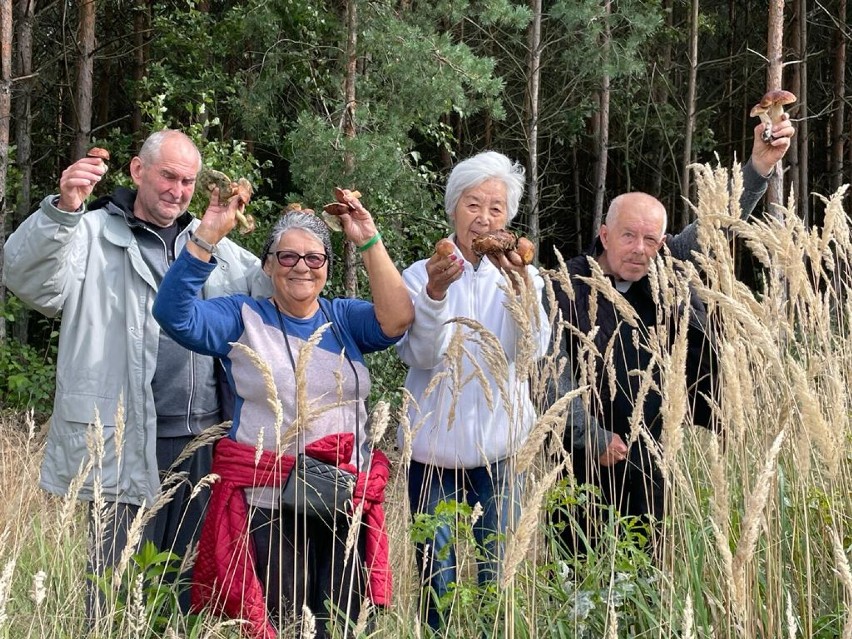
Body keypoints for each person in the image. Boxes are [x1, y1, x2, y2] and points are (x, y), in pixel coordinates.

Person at [2, 129, 268, 615]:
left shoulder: (211, 240)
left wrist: (293, 233)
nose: (177, 190)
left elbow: (271, 293)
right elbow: (27, 281)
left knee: (186, 588)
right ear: (137, 171)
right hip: (120, 441)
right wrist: (61, 211)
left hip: (203, 442)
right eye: (167, 175)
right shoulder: (87, 231)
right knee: (113, 588)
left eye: (187, 180)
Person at [152, 199, 413, 638]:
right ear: (269, 265)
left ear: (327, 266)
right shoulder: (242, 316)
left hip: (343, 500)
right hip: (268, 505)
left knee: (342, 625)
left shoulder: (343, 318)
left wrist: (368, 238)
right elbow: (173, 315)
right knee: (283, 623)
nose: (301, 268)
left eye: (314, 258)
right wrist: (208, 234)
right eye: (287, 256)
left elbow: (398, 318)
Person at [551, 114, 796, 537]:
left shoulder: (667, 267)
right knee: (580, 578)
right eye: (629, 236)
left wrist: (759, 165)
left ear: (663, 244)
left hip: (652, 454)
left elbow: (717, 224)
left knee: (650, 568)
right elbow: (550, 370)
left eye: (651, 240)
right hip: (582, 461)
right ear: (605, 235)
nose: (640, 250)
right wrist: (587, 435)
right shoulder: (566, 285)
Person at [395, 151, 551, 629]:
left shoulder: (526, 277)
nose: (484, 218)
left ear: (509, 218)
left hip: (500, 450)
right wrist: (436, 296)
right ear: (453, 209)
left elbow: (529, 352)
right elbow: (419, 356)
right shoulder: (421, 274)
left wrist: (520, 287)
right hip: (431, 452)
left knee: (496, 574)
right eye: (473, 205)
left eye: (496, 208)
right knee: (436, 580)